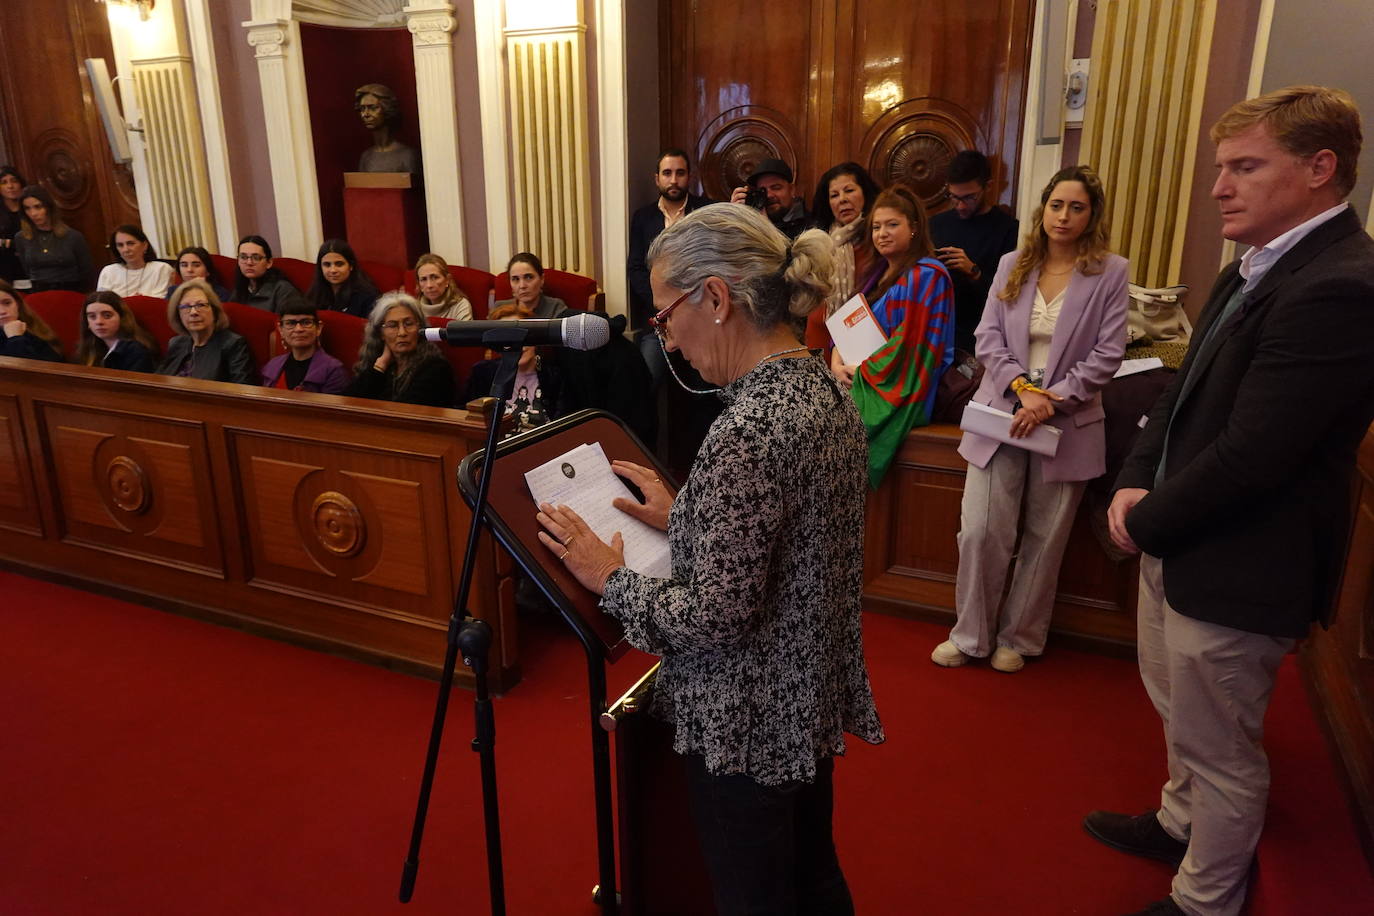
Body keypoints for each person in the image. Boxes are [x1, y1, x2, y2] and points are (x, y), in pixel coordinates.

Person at [533, 205, 883, 915]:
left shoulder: (747, 430)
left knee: (756, 898)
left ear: (716, 298)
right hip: (802, 694)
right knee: (814, 875)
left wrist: (610, 576)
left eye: (664, 319)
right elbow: (793, 541)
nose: (667, 342)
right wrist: (686, 513)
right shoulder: (823, 391)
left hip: (745, 721)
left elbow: (713, 620)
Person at [1087, 86, 1374, 916]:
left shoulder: (1343, 285)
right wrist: (1134, 479)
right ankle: (1179, 822)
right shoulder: (1250, 264)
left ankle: (1205, 899)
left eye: (1245, 167)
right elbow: (1176, 398)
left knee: (1222, 746)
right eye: (1221, 167)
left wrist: (1143, 518)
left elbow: (1256, 456)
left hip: (1244, 557)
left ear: (1320, 170)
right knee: (1182, 713)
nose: (1219, 187)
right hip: (1181, 535)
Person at [931, 165, 1128, 673]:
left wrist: (1051, 399)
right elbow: (987, 336)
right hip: (1004, 412)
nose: (1064, 216)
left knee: (1044, 537)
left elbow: (1108, 354)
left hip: (1068, 421)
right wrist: (1023, 390)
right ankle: (970, 634)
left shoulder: (1110, 272)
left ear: (1092, 215)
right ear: (1043, 209)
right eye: (1057, 205)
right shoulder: (1012, 263)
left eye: (1077, 207)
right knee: (980, 531)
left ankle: (1019, 637)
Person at [834, 184, 955, 486]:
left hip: (896, 390)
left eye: (892, 224)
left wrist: (861, 372)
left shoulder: (928, 275)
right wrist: (837, 363)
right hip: (860, 378)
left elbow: (910, 348)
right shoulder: (876, 275)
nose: (882, 233)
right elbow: (846, 327)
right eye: (876, 227)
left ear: (913, 228)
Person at [930, 150, 1021, 352]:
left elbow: (1009, 297)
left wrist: (974, 271)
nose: (960, 206)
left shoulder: (1008, 229)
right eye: (954, 197)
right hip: (936, 331)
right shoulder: (937, 223)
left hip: (980, 337)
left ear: (988, 187)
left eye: (969, 197)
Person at [627, 147, 714, 330]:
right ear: (657, 179)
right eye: (667, 173)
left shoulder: (707, 211)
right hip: (658, 320)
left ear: (689, 177)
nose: (674, 180)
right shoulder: (642, 218)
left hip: (702, 316)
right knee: (650, 357)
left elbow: (715, 262)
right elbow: (636, 269)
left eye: (680, 173)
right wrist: (660, 303)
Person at [805, 161, 882, 348]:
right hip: (821, 334)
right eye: (834, 195)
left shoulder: (879, 240)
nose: (842, 199)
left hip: (866, 338)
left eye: (849, 191)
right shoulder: (820, 242)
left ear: (865, 193)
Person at [462, 302, 562, 436]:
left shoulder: (554, 375)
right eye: (507, 338)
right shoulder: (482, 373)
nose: (517, 346)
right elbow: (465, 418)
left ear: (534, 338)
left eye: (520, 336)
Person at [345, 291, 455, 407]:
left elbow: (405, 412)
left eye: (409, 324)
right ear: (381, 333)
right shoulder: (378, 363)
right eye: (392, 325)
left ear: (420, 328)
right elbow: (349, 402)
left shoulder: (436, 368)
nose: (402, 332)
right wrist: (380, 366)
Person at [157, 278, 257, 384]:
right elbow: (157, 381)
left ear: (214, 310)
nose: (193, 312)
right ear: (178, 315)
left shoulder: (233, 344)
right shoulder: (176, 343)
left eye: (200, 305)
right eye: (186, 307)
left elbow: (241, 390)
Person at [13, 185, 93, 292]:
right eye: (27, 208)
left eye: (38, 207)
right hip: (39, 293)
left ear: (48, 207)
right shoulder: (21, 238)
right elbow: (26, 269)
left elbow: (86, 273)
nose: (33, 214)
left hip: (70, 292)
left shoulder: (73, 236)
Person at [261, 302, 347, 393]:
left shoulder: (333, 370)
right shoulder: (272, 366)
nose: (298, 329)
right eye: (290, 323)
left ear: (318, 328)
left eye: (306, 323)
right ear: (281, 330)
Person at [729, 157, 814, 240]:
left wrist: (765, 227)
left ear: (792, 190)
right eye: (763, 191)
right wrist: (735, 217)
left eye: (776, 188)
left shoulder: (810, 227)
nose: (769, 195)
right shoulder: (753, 221)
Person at [76, 290, 158, 372]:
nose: (99, 322)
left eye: (107, 315)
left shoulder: (137, 352)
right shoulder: (89, 347)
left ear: (122, 318)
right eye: (92, 316)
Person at [232, 235, 306, 314]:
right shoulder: (240, 289)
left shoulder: (283, 290)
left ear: (269, 263)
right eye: (243, 257)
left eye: (256, 258)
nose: (249, 262)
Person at [96, 225, 175, 298]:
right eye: (120, 245)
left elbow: (162, 301)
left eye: (130, 243)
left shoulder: (161, 268)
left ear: (144, 245)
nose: (126, 250)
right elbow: (102, 302)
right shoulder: (109, 271)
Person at [305, 239, 379, 318]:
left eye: (339, 264)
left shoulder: (367, 296)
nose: (333, 270)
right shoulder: (314, 294)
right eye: (327, 264)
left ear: (351, 266)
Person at [0, 279, 63, 361]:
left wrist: (16, 336)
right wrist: (15, 339)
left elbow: (54, 367)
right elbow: (16, 371)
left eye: (7, 303)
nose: (2, 311)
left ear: (17, 303)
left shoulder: (33, 330)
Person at [505, 253, 570, 320]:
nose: (522, 286)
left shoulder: (555, 307)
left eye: (528, 277)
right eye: (515, 279)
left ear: (542, 279)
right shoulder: (500, 308)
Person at [413, 253, 473, 321]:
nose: (429, 285)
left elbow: (465, 331)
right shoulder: (414, 308)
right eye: (423, 279)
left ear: (447, 280)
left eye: (435, 277)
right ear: (419, 285)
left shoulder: (460, 305)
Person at [0, 166, 27, 283]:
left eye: (14, 181)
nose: (10, 186)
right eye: (4, 182)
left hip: (30, 264)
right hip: (4, 266)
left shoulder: (30, 208)